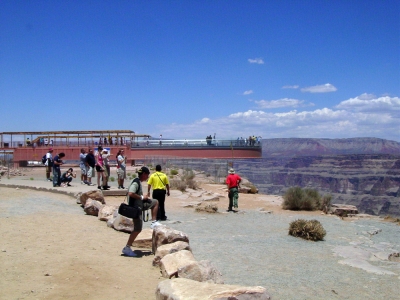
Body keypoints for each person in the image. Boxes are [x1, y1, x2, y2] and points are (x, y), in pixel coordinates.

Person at [122, 167, 161, 257]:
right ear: (144, 174)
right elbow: (131, 193)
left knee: (155, 202)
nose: (147, 177)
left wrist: (143, 198)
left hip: (140, 205)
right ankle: (127, 248)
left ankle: (154, 222)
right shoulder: (136, 182)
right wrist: (142, 198)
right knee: (137, 229)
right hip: (136, 208)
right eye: (147, 175)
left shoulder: (136, 181)